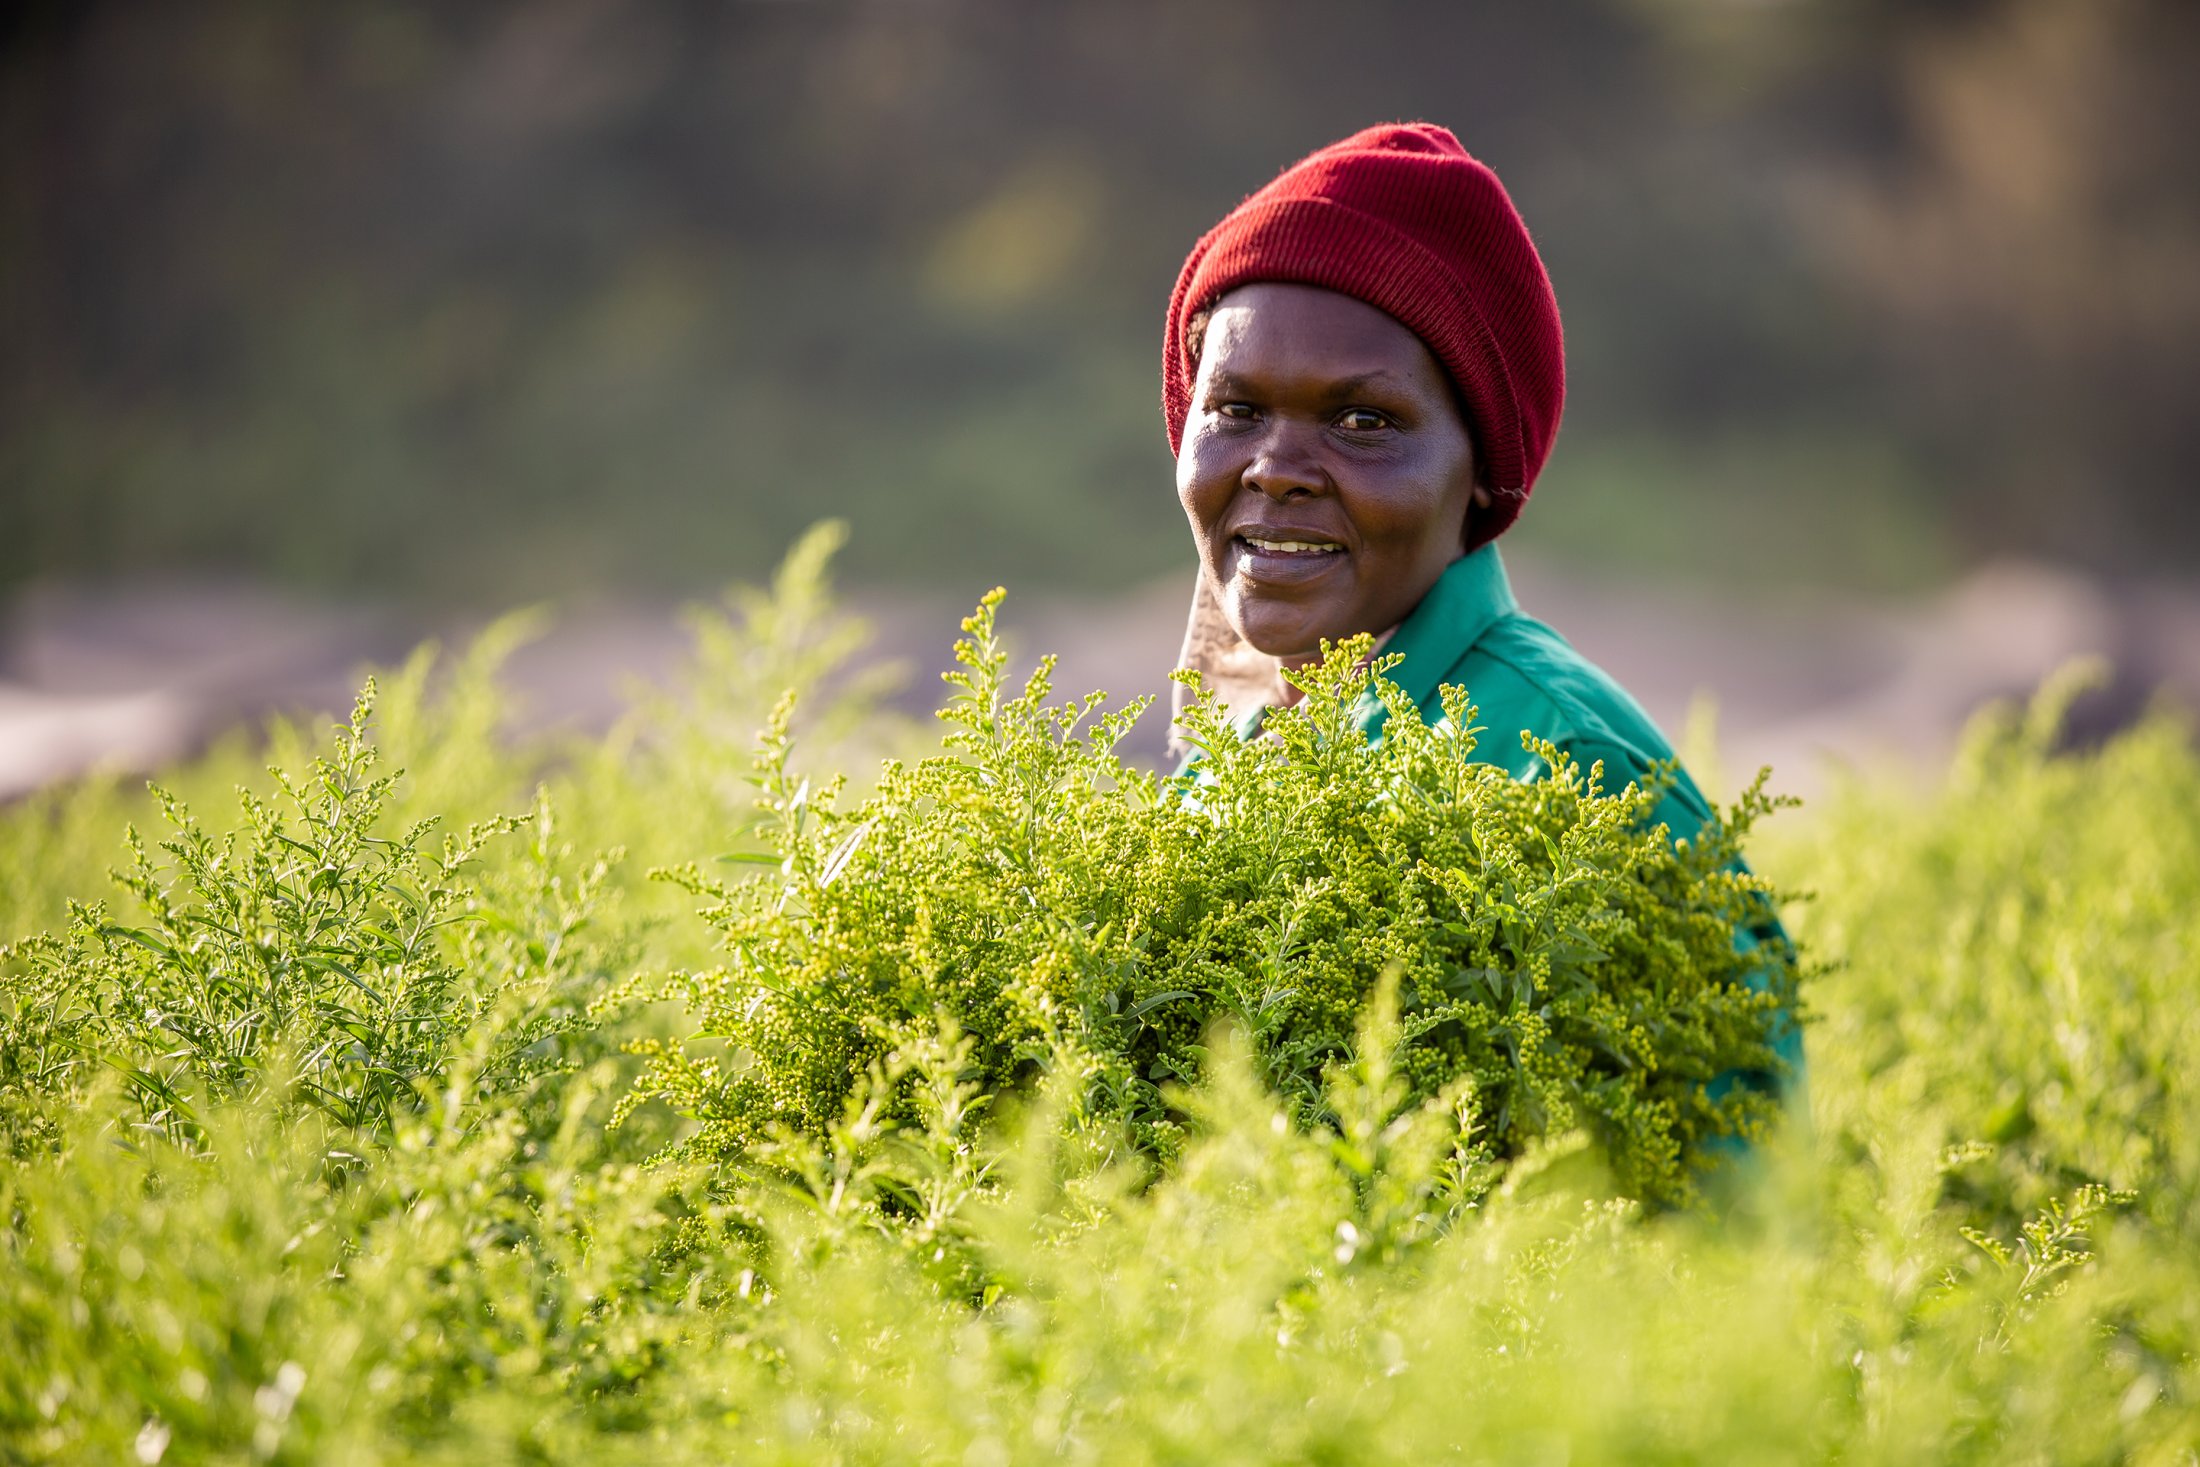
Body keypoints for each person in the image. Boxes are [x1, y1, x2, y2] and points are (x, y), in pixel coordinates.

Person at [1161, 121, 1803, 1095]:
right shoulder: (1226, 760)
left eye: (1363, 422)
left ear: (1477, 473)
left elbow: (1732, 1219)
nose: (1275, 470)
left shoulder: (1572, 774)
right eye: (1235, 410)